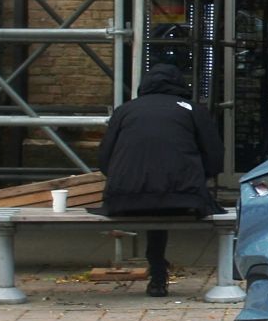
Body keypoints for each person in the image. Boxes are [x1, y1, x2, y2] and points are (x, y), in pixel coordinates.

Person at [94, 63, 223, 298]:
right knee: (163, 198)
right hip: (183, 200)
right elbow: (215, 157)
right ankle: (163, 273)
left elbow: (104, 158)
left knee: (154, 199)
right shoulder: (192, 110)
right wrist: (192, 178)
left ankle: (158, 273)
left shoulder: (125, 110)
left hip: (123, 201)